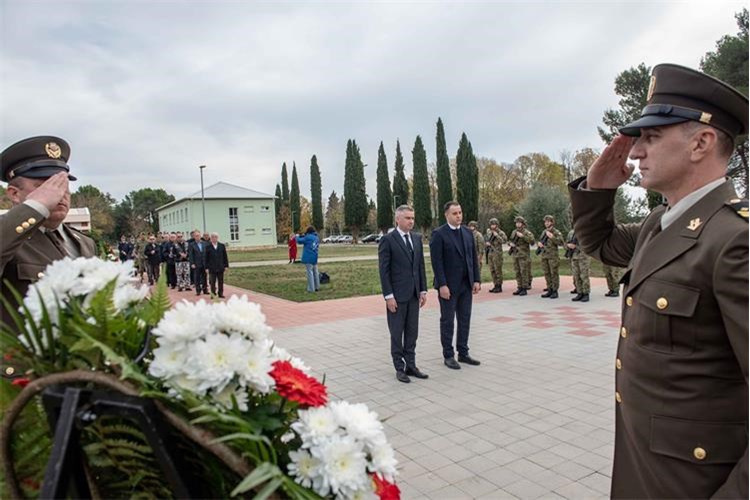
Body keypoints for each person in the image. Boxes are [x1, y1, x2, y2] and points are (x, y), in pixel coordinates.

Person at [569, 63, 747, 499]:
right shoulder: (661, 223)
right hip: (646, 464)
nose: (634, 153)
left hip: (696, 481)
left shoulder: (735, 241)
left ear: (701, 143)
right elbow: (604, 244)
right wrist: (598, 189)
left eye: (651, 138)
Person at [0, 136, 96, 377]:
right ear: (14, 193)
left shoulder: (84, 243)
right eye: (45, 185)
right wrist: (36, 207)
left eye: (63, 184)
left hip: (78, 373)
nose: (59, 194)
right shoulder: (10, 237)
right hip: (22, 380)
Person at [378, 205, 428, 383]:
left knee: (412, 333)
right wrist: (388, 296)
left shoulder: (416, 239)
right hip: (397, 297)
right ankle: (399, 368)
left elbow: (420, 266)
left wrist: (423, 290)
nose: (411, 221)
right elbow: (384, 271)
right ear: (397, 219)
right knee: (397, 333)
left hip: (414, 295)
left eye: (412, 218)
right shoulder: (388, 240)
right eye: (407, 218)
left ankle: (411, 365)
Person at [429, 201, 481, 369]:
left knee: (465, 319)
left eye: (460, 212)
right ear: (447, 215)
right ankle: (448, 355)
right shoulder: (439, 234)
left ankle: (463, 352)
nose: (458, 216)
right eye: (455, 213)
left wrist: (476, 280)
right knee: (448, 321)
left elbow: (473, 258)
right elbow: (437, 263)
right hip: (448, 287)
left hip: (466, 285)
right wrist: (442, 285)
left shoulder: (467, 232)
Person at [537, 215, 563, 299]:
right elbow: (541, 241)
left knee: (554, 273)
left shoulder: (556, 232)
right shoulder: (544, 232)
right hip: (544, 256)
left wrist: (552, 237)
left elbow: (561, 242)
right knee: (547, 273)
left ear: (552, 222)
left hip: (552, 256)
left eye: (548, 221)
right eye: (545, 222)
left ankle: (555, 291)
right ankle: (549, 289)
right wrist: (539, 244)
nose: (546, 223)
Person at [508, 216, 535, 296]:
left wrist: (523, 236)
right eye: (516, 223)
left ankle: (524, 288)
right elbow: (510, 240)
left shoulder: (526, 232)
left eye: (519, 223)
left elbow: (532, 242)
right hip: (515, 254)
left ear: (523, 224)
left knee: (524, 272)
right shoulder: (514, 232)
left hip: (523, 255)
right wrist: (510, 244)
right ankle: (519, 287)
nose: (517, 224)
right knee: (517, 271)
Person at [565, 229, 590, 302]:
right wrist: (568, 246)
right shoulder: (571, 232)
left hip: (583, 257)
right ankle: (579, 292)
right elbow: (565, 244)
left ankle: (586, 293)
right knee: (576, 276)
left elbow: (589, 245)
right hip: (574, 257)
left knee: (584, 276)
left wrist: (576, 247)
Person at [485, 217, 508, 293]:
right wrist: (487, 243)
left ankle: (499, 286)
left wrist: (497, 235)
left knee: (498, 270)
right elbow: (487, 240)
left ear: (497, 225)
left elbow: (504, 241)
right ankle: (495, 285)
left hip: (497, 253)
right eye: (491, 224)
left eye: (494, 224)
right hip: (490, 253)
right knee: (492, 270)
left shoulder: (500, 232)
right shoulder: (489, 232)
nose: (492, 226)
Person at [204, 232, 229, 298]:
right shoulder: (208, 247)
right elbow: (206, 258)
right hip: (212, 267)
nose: (214, 238)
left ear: (217, 238)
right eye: (213, 237)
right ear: (211, 238)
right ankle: (213, 294)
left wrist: (226, 266)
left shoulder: (222, 246)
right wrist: (206, 268)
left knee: (221, 282)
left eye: (215, 237)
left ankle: (220, 293)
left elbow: (225, 256)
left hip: (220, 266)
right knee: (212, 282)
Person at [296, 226, 320, 292]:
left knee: (310, 273)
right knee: (315, 272)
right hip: (315, 257)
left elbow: (299, 241)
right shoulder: (316, 238)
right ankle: (317, 287)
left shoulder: (308, 237)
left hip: (308, 257)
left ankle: (311, 289)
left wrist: (297, 236)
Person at [188, 230, 208, 295]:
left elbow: (207, 253)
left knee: (204, 277)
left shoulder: (204, 243)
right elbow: (191, 255)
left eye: (198, 236)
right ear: (194, 237)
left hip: (204, 263)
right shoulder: (191, 245)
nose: (198, 237)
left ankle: (205, 290)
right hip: (196, 264)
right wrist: (192, 263)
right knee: (197, 278)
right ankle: (198, 291)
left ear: (200, 236)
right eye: (196, 236)